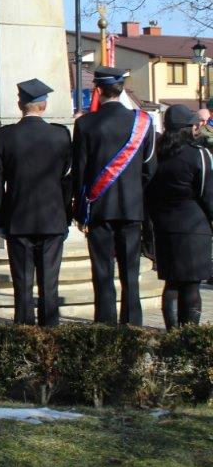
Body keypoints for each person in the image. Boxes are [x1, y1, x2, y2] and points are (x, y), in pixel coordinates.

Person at [72, 66, 157, 326]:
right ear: (120, 89)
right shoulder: (142, 122)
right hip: (132, 207)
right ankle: (132, 324)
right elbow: (150, 168)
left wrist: (79, 210)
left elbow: (80, 171)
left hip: (99, 209)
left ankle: (105, 325)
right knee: (130, 272)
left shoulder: (85, 123)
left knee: (102, 271)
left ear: (97, 89)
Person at [0, 79, 72, 326]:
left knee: (22, 285)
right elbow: (68, 181)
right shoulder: (60, 135)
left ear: (20, 104)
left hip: (18, 218)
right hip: (52, 218)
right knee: (50, 285)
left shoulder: (5, 136)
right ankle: (50, 334)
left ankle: (23, 332)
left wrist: (1, 219)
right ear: (44, 105)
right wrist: (66, 215)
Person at [145, 104, 213, 329]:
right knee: (191, 285)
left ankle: (172, 333)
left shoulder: (156, 155)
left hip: (164, 225)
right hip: (194, 226)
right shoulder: (199, 154)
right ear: (186, 128)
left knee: (172, 284)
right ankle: (188, 334)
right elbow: (207, 193)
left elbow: (149, 190)